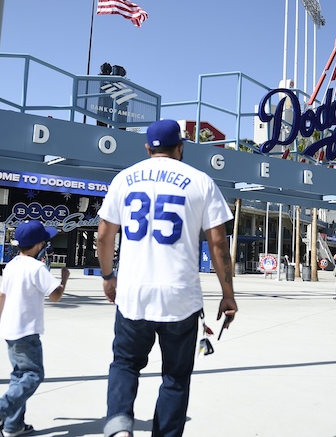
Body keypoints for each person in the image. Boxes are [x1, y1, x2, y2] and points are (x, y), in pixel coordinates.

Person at [97, 119, 238, 437]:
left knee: (125, 363)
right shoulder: (201, 181)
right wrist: (227, 293)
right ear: (181, 148)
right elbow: (218, 243)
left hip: (133, 293)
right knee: (175, 377)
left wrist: (108, 276)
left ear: (147, 148)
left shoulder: (124, 180)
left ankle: (119, 425)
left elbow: (104, 235)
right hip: (180, 297)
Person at [0, 220, 70, 437]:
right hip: (27, 331)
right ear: (39, 244)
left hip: (9, 330)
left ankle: (14, 426)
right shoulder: (37, 267)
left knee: (19, 377)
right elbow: (56, 296)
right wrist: (64, 280)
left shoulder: (11, 265)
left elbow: (1, 295)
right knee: (33, 375)